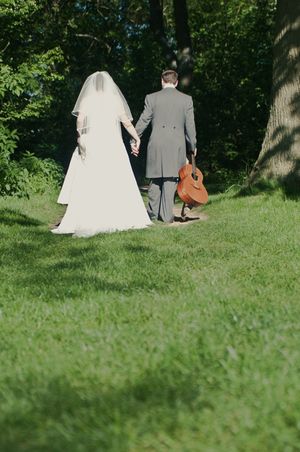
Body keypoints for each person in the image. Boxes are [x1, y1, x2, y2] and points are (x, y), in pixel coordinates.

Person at [51, 71, 152, 237]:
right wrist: (136, 138)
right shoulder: (114, 99)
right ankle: (119, 214)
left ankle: (87, 216)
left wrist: (79, 136)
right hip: (112, 143)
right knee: (115, 178)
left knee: (91, 179)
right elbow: (126, 122)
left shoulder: (87, 99)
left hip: (93, 142)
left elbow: (79, 119)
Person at [131, 69, 197, 223]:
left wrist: (134, 139)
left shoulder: (151, 98)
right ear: (176, 82)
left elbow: (143, 121)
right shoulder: (186, 100)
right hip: (177, 144)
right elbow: (190, 127)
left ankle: (153, 215)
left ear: (162, 81)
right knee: (171, 179)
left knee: (155, 179)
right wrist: (192, 146)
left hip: (157, 143)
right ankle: (167, 216)